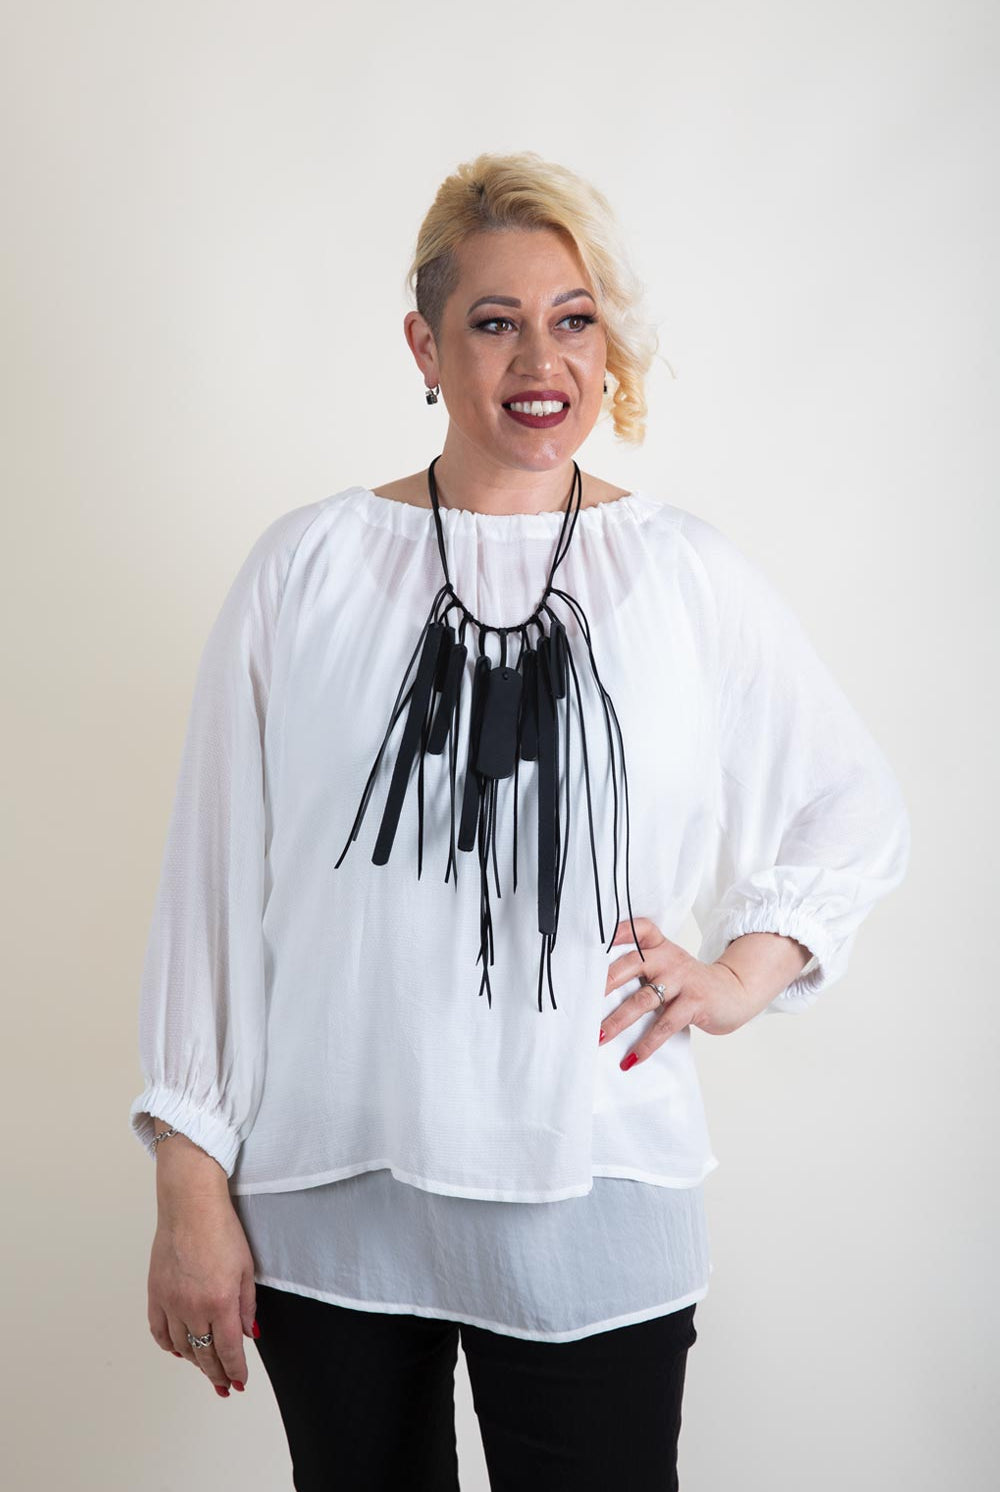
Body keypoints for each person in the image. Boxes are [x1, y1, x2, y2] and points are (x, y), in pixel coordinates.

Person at [129, 150, 911, 1491]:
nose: (540, 360)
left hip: (593, 1181)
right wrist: (190, 1186)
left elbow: (850, 802)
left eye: (574, 319)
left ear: (607, 346)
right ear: (425, 346)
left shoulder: (683, 575)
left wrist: (741, 973)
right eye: (495, 322)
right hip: (332, 1189)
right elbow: (207, 887)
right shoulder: (306, 568)